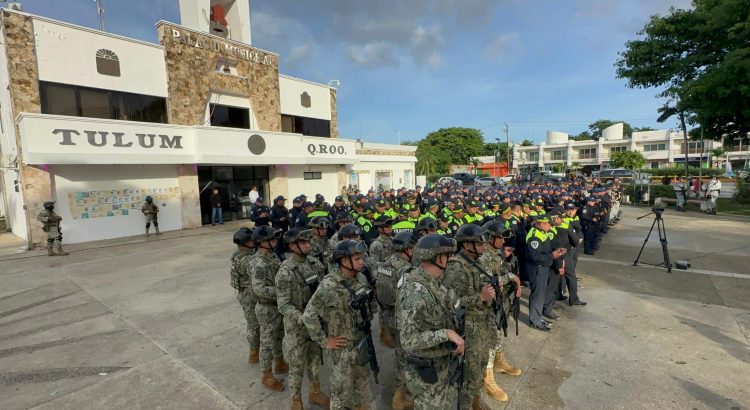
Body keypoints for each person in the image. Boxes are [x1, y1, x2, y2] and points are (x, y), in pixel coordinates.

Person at [302, 240, 374, 410]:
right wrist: (324, 341)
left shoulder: (361, 277)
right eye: (357, 258)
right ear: (343, 261)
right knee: (340, 393)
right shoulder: (329, 285)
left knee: (362, 384)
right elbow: (308, 315)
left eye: (361, 257)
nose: (361, 261)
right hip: (341, 348)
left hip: (360, 341)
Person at [398, 234, 465, 410]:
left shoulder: (434, 282)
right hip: (427, 373)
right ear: (439, 258)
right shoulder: (415, 291)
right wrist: (447, 334)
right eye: (447, 256)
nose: (450, 260)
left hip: (442, 364)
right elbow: (408, 340)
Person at [442, 224, 497, 409]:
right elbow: (450, 303)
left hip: (482, 325)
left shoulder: (475, 262)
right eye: (479, 243)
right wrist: (480, 297)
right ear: (466, 245)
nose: (483, 246)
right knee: (469, 375)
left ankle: (475, 400)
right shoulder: (456, 268)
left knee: (480, 368)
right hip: (469, 328)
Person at [275, 228, 331, 410]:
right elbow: (283, 304)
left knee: (315, 361)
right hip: (297, 328)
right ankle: (296, 400)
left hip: (315, 325)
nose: (309, 245)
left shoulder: (315, 264)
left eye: (309, 241)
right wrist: (304, 318)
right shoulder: (286, 271)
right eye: (304, 242)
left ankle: (315, 392)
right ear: (292, 245)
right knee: (297, 366)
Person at [478, 221, 522, 402]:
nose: (503, 241)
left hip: (499, 301)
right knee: (490, 339)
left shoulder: (495, 253)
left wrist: (514, 281)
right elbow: (490, 280)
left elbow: (503, 270)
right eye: (500, 237)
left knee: (498, 333)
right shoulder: (482, 255)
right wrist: (512, 277)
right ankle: (487, 377)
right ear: (490, 237)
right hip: (486, 303)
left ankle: (499, 361)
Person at [377, 231, 417, 409]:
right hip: (402, 320)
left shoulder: (385, 265)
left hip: (388, 316)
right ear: (407, 249)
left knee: (400, 355)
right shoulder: (406, 270)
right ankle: (399, 398)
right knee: (403, 358)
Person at [249, 226, 287, 391]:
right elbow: (259, 289)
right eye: (271, 239)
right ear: (261, 242)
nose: (275, 241)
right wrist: (282, 292)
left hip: (277, 306)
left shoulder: (272, 256)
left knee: (279, 336)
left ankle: (279, 362)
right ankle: (266, 374)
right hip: (266, 308)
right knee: (267, 342)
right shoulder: (258, 263)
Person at [526, 215, 564, 331]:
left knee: (541, 293)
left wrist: (556, 251)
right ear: (542, 223)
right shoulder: (534, 237)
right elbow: (536, 257)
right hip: (537, 268)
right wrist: (552, 255)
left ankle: (538, 317)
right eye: (550, 224)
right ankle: (535, 321)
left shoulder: (542, 232)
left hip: (544, 267)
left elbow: (546, 249)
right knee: (537, 295)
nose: (551, 227)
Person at [230, 227, 260, 364]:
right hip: (248, 295)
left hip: (249, 292)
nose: (253, 241)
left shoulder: (245, 253)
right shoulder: (243, 258)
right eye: (250, 240)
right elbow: (256, 265)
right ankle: (254, 352)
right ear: (244, 242)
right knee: (254, 324)